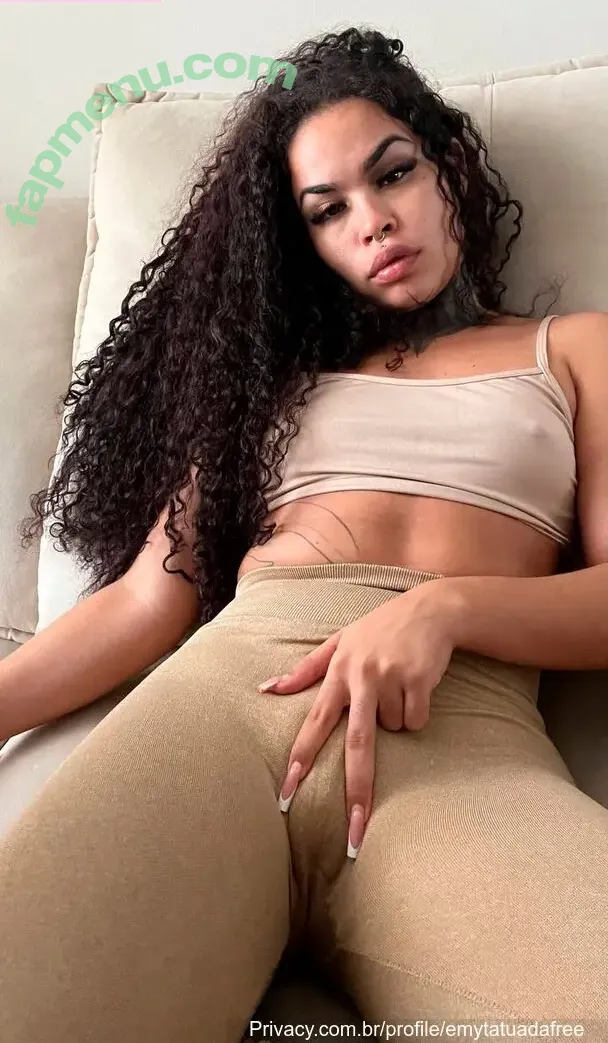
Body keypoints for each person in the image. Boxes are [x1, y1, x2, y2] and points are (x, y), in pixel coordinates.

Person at [1, 24, 607, 1043]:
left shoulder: (577, 349)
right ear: (306, 244)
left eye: (393, 174)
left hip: (462, 750)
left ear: (445, 166)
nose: (373, 221)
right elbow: (148, 599)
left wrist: (445, 609)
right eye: (328, 210)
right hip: (220, 718)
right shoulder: (269, 385)